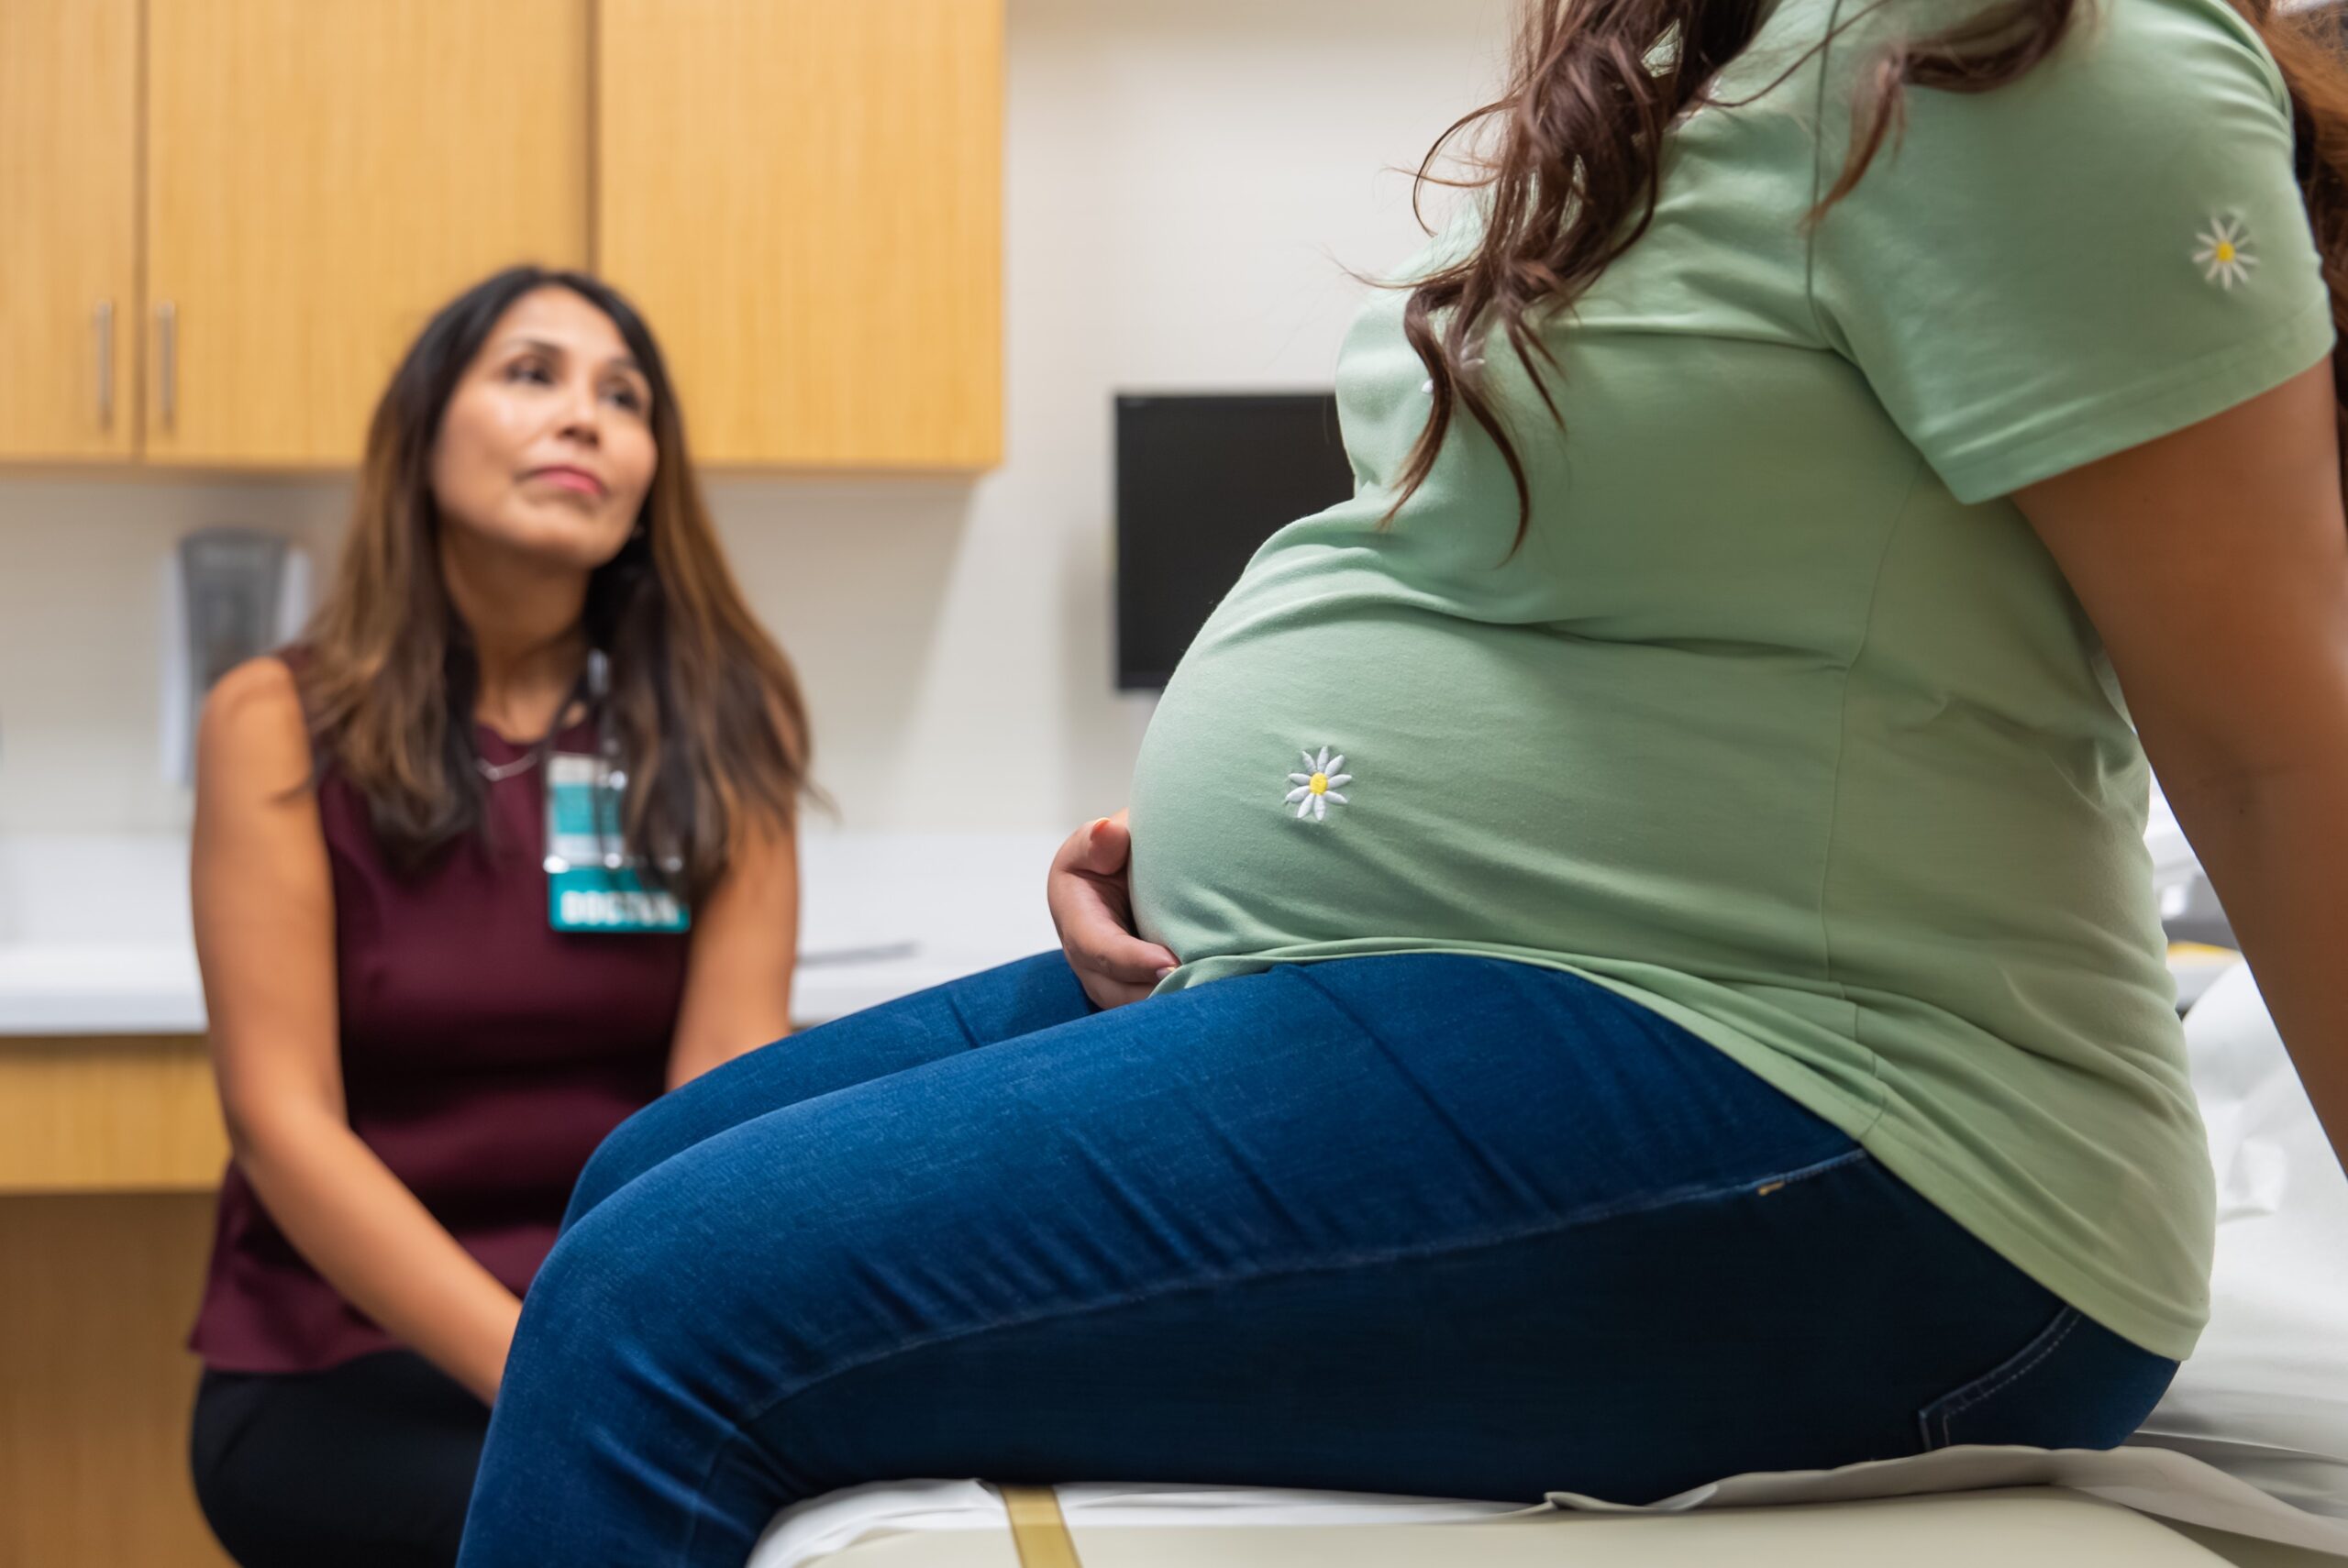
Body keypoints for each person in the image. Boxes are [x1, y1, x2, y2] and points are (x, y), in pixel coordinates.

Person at [456, 0, 2348, 1561]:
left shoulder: (2044, 53)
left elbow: (2279, 755)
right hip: (1505, 993)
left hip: (1853, 1125)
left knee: (658, 1315)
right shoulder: (1720, 58)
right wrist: (1283, 853)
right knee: (644, 1180)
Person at [184, 266, 814, 1568]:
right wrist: (545, 1368)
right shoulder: (275, 720)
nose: (582, 416)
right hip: (346, 1363)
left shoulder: (727, 727)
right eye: (531, 373)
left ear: (650, 475)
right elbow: (280, 1120)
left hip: (632, 1336)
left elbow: (722, 1098)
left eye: (622, 395)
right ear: (421, 435)